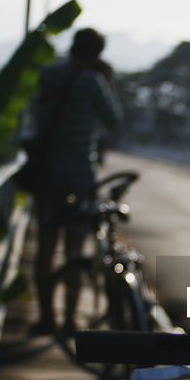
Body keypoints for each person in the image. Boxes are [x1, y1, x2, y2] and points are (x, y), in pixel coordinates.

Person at [29, 27, 122, 336]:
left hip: (47, 171)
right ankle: (70, 319)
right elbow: (113, 119)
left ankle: (46, 317)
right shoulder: (92, 82)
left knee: (45, 246)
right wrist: (107, 80)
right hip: (80, 173)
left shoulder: (49, 74)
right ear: (97, 54)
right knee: (75, 249)